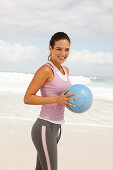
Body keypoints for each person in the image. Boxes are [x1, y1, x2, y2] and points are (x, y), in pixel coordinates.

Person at [24, 32, 76, 170]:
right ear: (50, 48)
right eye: (58, 49)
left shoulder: (66, 70)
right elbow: (28, 98)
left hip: (56, 128)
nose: (63, 53)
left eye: (67, 49)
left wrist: (68, 103)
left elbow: (63, 96)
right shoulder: (46, 70)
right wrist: (56, 99)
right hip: (44, 127)